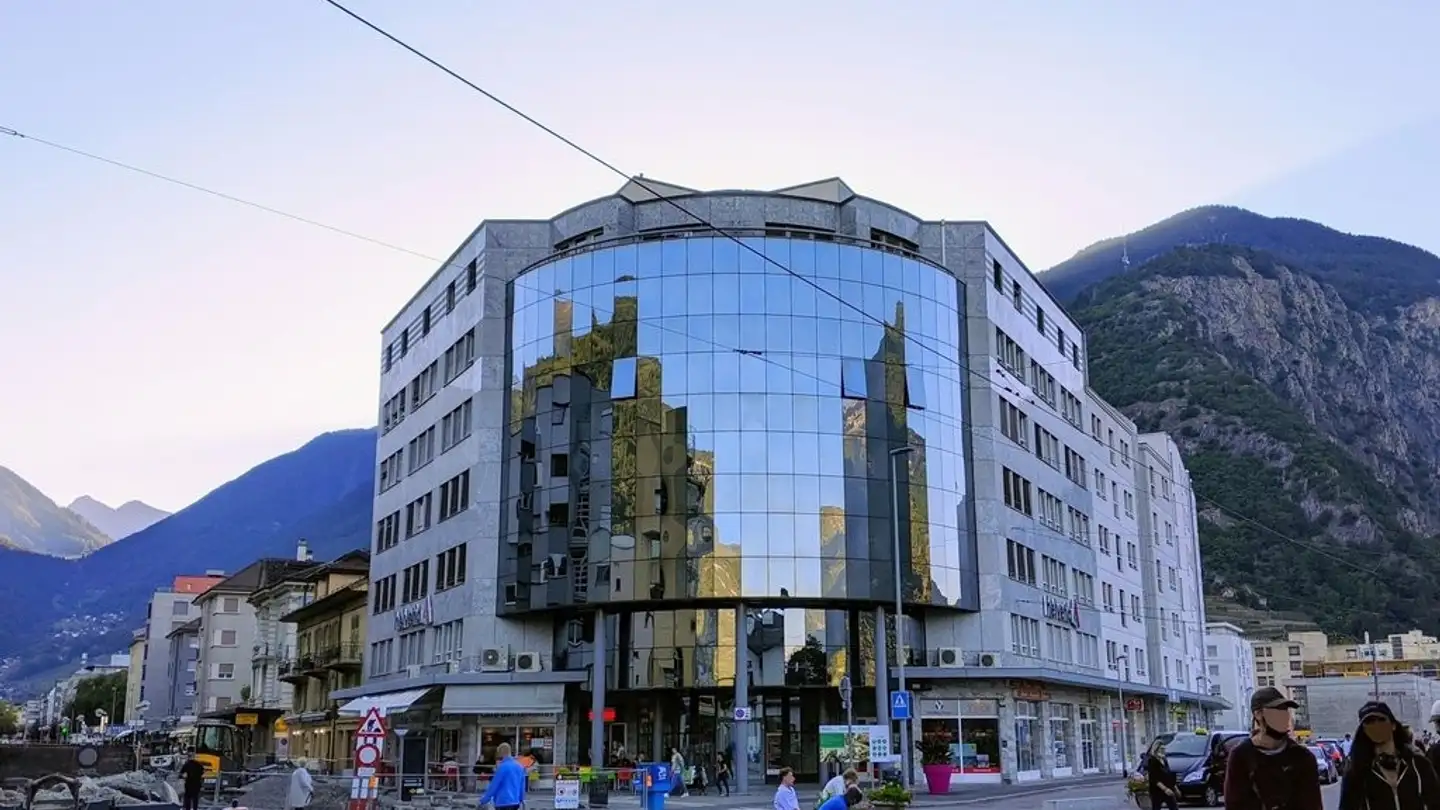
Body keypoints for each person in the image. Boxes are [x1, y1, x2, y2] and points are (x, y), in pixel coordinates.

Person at [1223, 685, 1323, 810]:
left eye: (1285, 710)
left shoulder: (1303, 757)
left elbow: (1313, 804)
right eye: (1277, 710)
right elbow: (1234, 804)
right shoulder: (1241, 756)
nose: (1284, 717)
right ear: (1258, 714)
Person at [1338, 700, 1440, 810]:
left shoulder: (1419, 765)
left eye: (1381, 720)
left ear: (1393, 725)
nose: (1376, 726)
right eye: (1369, 722)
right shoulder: (1355, 773)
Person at [477, 742, 527, 810]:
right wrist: (522, 799)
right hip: (515, 802)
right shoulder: (519, 766)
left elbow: (494, 785)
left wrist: (484, 800)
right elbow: (522, 786)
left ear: (501, 753)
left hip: (502, 802)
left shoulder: (502, 767)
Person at [1146, 739, 1180, 810]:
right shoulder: (1152, 761)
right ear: (1156, 749)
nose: (1163, 750)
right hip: (1157, 790)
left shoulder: (1164, 759)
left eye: (1164, 749)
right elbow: (1154, 778)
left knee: (1174, 807)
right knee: (1156, 807)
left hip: (1169, 787)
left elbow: (1169, 774)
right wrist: (1165, 789)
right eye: (1161, 749)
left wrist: (1175, 788)